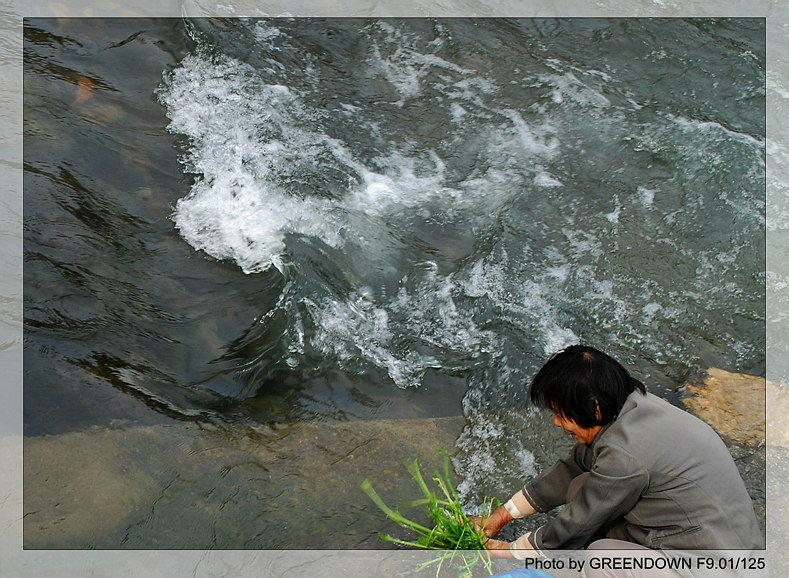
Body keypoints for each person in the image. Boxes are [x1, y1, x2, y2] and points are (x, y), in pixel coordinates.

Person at [470, 345, 764, 576]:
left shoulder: (626, 454)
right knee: (579, 485)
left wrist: (512, 550)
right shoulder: (633, 407)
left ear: (594, 408)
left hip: (718, 564)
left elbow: (579, 522)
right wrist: (501, 515)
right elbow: (572, 470)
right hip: (709, 537)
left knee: (602, 558)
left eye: (561, 414)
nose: (559, 423)